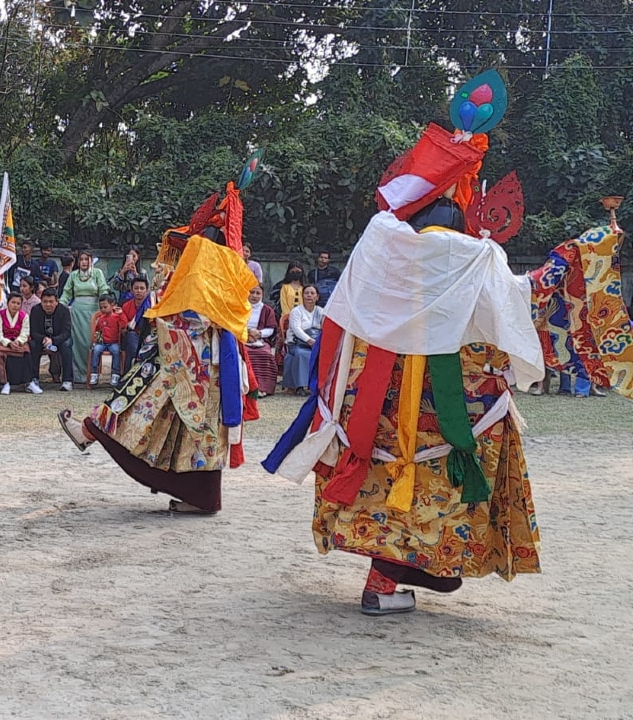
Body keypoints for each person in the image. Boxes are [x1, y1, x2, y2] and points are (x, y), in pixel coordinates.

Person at [261, 73, 633, 616]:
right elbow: (522, 303)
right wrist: (582, 251)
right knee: (441, 488)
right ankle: (397, 580)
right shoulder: (474, 257)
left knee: (383, 479)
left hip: (376, 405)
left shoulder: (380, 250)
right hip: (448, 406)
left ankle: (383, 582)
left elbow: (342, 319)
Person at [58, 182, 259, 515]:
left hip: (185, 356)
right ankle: (203, 498)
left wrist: (159, 318)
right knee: (193, 428)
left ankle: (91, 430)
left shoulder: (203, 267)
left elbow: (189, 318)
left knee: (139, 401)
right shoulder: (230, 268)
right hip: (209, 362)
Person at [59, 249, 110, 382]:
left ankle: (92, 373)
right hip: (77, 312)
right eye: (81, 259)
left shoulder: (97, 273)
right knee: (78, 343)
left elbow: (103, 289)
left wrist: (105, 305)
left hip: (94, 312)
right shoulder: (74, 275)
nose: (84, 262)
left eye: (86, 259)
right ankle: (78, 375)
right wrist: (60, 306)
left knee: (90, 343)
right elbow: (66, 293)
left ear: (91, 260)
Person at [0, 293, 35, 394]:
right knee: (0, 353)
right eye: (13, 302)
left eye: (18, 303)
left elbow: (25, 333)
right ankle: (5, 383)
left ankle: (28, 382)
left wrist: (18, 341)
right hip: (3, 343)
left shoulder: (24, 316)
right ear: (8, 303)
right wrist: (9, 343)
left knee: (26, 351)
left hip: (19, 342)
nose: (15, 305)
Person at [29, 287, 73, 390]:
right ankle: (33, 378)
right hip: (42, 339)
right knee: (32, 345)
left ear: (56, 301)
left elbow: (66, 332)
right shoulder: (35, 310)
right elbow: (33, 331)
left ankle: (67, 380)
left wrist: (53, 340)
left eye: (51, 301)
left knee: (67, 345)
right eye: (45, 302)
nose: (48, 304)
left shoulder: (64, 310)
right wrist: (43, 339)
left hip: (59, 339)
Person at [282, 285, 323, 393]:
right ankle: (300, 385)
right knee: (301, 354)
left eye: (312, 293)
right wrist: (309, 340)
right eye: (306, 293)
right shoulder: (296, 311)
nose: (309, 295)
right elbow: (296, 328)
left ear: (317, 297)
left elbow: (324, 328)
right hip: (297, 343)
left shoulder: (321, 311)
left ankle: (318, 385)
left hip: (316, 342)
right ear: (302, 296)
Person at [243, 285, 280, 397]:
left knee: (264, 354)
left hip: (261, 340)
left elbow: (271, 329)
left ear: (262, 295)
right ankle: (246, 387)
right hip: (242, 338)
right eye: (252, 292)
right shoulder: (240, 307)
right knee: (244, 353)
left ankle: (262, 387)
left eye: (258, 293)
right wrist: (247, 333)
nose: (254, 296)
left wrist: (258, 334)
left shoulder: (267, 310)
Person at [89, 294, 125, 386]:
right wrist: (96, 337)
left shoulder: (116, 316)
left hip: (114, 342)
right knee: (96, 350)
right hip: (102, 342)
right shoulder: (101, 318)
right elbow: (97, 330)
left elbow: (123, 325)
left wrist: (121, 314)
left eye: (105, 307)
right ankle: (94, 373)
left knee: (116, 351)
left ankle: (115, 374)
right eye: (101, 307)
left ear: (112, 305)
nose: (103, 309)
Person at [119, 276, 151, 375]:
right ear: (132, 290)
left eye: (142, 288)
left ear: (147, 290)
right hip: (132, 335)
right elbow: (123, 325)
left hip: (148, 335)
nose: (139, 291)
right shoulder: (126, 306)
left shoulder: (152, 305)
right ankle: (129, 374)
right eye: (136, 288)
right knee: (132, 341)